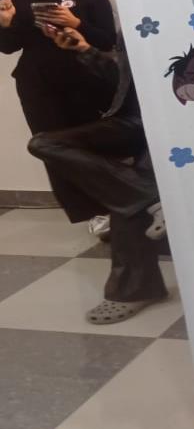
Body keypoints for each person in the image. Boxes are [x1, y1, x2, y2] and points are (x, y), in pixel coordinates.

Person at [27, 25, 167, 324]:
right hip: (134, 121)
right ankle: (149, 197)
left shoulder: (181, 14)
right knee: (44, 143)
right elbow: (126, 79)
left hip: (176, 125)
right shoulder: (135, 15)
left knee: (126, 197)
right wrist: (85, 50)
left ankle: (135, 289)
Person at [0, 0, 116, 221]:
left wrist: (76, 23)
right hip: (37, 84)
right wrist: (5, 24)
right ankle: (90, 215)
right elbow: (8, 47)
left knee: (96, 146)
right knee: (54, 149)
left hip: (89, 80)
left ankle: (116, 207)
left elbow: (108, 42)